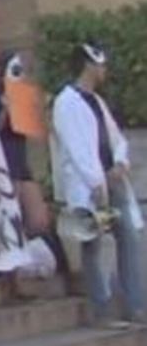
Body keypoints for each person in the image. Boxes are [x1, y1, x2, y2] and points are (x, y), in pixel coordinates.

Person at [51, 43, 145, 327]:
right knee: (91, 242)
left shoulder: (97, 102)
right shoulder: (66, 102)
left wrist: (120, 162)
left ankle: (135, 305)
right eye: (100, 65)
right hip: (90, 185)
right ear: (89, 65)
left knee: (128, 235)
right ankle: (102, 310)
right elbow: (77, 147)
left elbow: (114, 138)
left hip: (112, 180)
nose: (104, 70)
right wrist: (95, 180)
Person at [0, 50, 73, 299]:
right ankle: (11, 281)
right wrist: (5, 108)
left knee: (38, 220)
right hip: (2, 161)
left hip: (20, 161)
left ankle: (18, 261)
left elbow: (36, 131)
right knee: (10, 220)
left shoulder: (20, 89)